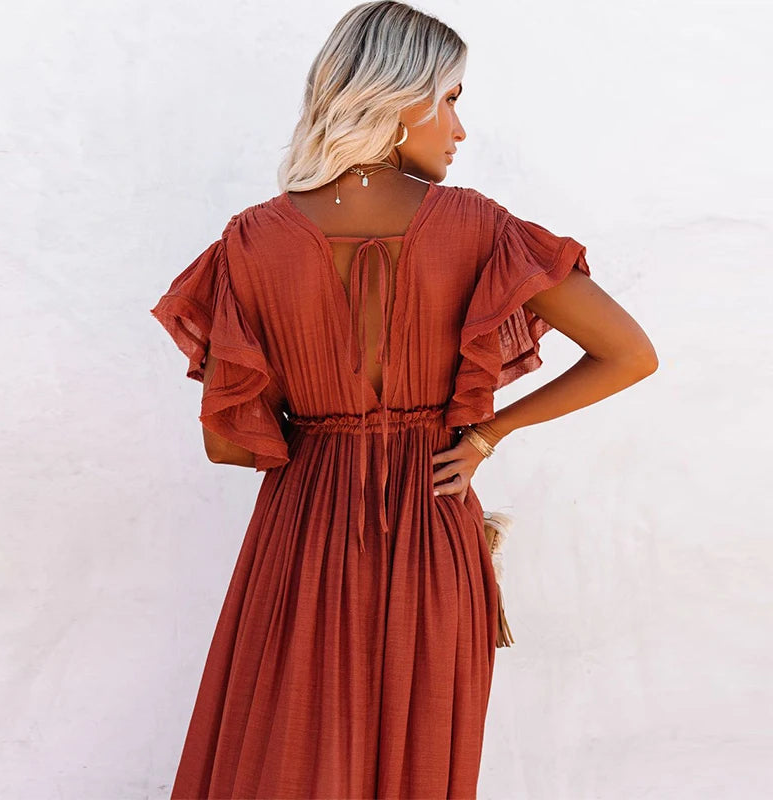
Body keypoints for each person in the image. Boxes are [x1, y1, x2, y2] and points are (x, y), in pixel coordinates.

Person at [149, 2, 658, 797]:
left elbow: (230, 443)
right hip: (433, 519)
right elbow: (630, 354)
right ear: (395, 99)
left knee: (293, 759)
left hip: (301, 534)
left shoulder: (251, 242)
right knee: (420, 764)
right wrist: (486, 435)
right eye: (449, 99)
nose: (460, 129)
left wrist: (317, 413)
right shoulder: (481, 228)